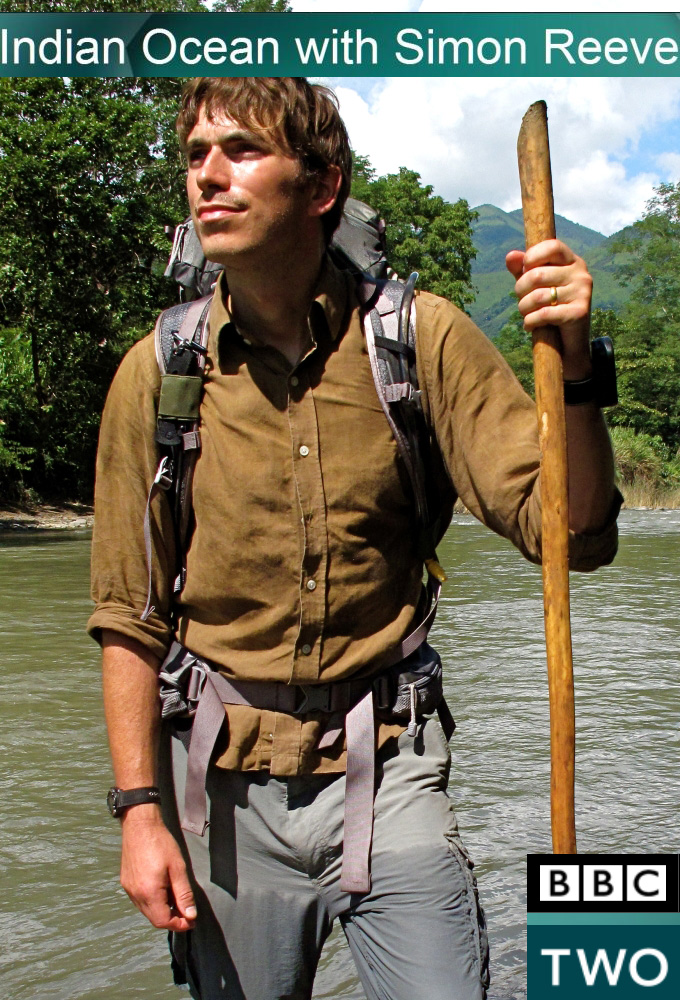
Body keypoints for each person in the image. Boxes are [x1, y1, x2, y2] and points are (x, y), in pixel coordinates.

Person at [89, 77, 620, 1000]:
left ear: (322, 184)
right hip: (221, 786)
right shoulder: (158, 373)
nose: (208, 178)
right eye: (194, 157)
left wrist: (575, 364)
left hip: (392, 763)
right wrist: (140, 813)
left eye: (242, 152)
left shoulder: (421, 341)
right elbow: (130, 616)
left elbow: (571, 534)